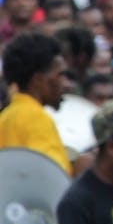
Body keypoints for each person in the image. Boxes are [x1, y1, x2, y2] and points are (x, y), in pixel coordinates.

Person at [0, 31, 72, 174]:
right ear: (38, 80)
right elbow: (52, 176)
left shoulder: (7, 116)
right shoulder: (36, 118)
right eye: (60, 75)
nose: (66, 84)